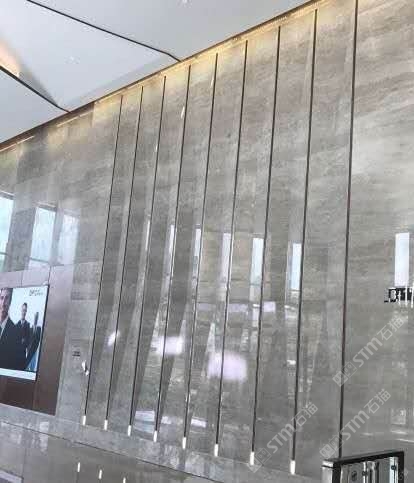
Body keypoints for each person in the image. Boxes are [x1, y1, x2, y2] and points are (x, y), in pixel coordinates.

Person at [0, 287, 26, 370]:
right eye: (1, 298)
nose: (3, 303)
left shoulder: (16, 332)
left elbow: (20, 365)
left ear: (10, 301)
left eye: (6, 298)